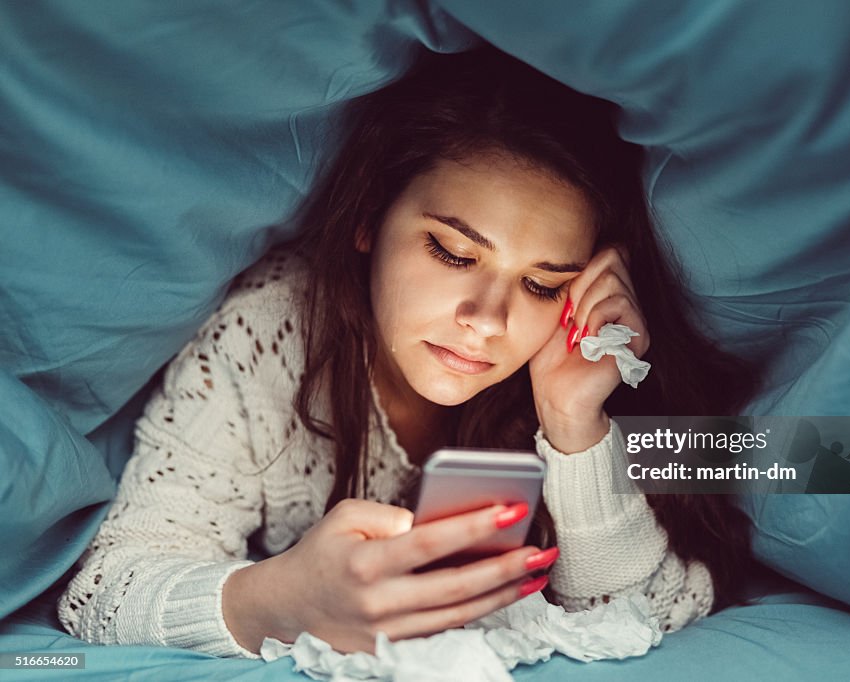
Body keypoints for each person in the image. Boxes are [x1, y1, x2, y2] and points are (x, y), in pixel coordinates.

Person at [58, 45, 759, 658]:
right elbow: (103, 590)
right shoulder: (271, 332)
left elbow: (651, 613)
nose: (486, 321)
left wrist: (577, 427)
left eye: (543, 284)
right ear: (369, 217)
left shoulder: (577, 367)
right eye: (452, 252)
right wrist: (276, 599)